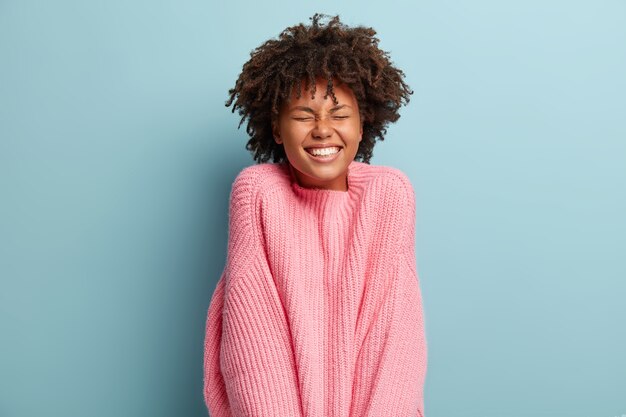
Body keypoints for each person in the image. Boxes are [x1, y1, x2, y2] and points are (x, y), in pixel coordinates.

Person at [203, 13, 427, 417]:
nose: (323, 130)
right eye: (304, 115)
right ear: (276, 127)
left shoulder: (389, 196)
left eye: (340, 115)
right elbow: (252, 338)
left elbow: (396, 339)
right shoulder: (257, 194)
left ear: (363, 126)